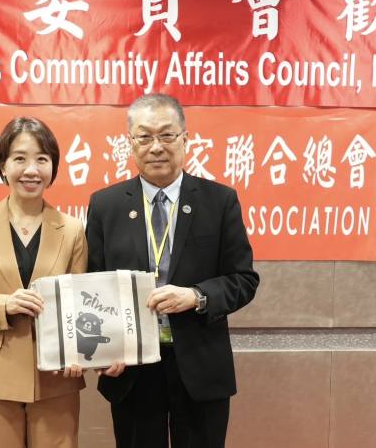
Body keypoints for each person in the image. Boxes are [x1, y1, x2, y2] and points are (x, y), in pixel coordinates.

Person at [86, 93, 259, 448]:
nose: (156, 147)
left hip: (199, 363)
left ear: (185, 139)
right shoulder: (106, 205)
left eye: (167, 135)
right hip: (132, 367)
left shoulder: (219, 201)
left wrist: (196, 296)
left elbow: (243, 279)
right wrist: (105, 350)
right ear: (130, 143)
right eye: (145, 137)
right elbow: (94, 283)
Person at [0, 117, 86, 448]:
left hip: (55, 378)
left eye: (42, 159)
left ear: (53, 167)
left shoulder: (73, 229)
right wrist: (2, 305)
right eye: (20, 158)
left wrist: (78, 351)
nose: (31, 170)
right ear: (2, 166)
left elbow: (80, 303)